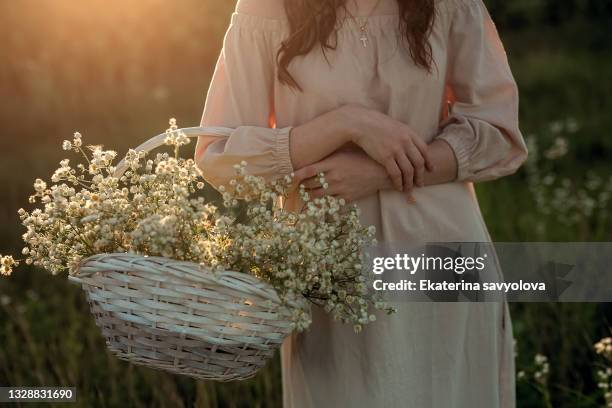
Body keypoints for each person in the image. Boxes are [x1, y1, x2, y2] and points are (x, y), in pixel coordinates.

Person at [194, 0, 528, 406]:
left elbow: (498, 134)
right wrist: (347, 123)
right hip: (332, 273)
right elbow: (220, 156)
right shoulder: (267, 8)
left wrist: (379, 173)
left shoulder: (451, 4)